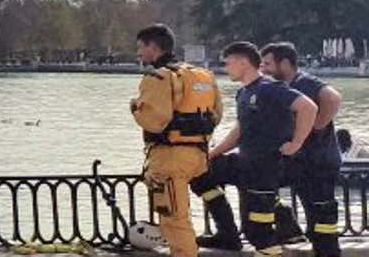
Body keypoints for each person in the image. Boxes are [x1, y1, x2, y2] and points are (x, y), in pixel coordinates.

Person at [191, 42, 318, 256]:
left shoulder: (269, 87)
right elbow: (239, 131)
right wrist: (212, 154)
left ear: (243, 63)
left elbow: (308, 107)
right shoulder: (243, 93)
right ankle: (227, 233)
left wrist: (296, 143)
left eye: (228, 63)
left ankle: (278, 233)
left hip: (265, 168)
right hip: (245, 163)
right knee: (201, 174)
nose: (225, 68)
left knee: (258, 232)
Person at [129, 24, 221, 257]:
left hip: (169, 157)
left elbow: (154, 120)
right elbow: (217, 114)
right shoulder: (202, 75)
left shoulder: (159, 76)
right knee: (182, 215)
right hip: (198, 155)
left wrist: (135, 107)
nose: (138, 53)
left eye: (140, 47)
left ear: (153, 47)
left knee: (174, 220)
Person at [261, 43, 343, 257]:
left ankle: (324, 249)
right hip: (299, 162)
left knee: (322, 220)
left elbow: (333, 98)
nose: (263, 69)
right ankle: (288, 224)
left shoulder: (304, 82)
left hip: (319, 163)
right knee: (260, 183)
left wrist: (317, 126)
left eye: (268, 64)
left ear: (285, 63)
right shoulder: (279, 89)